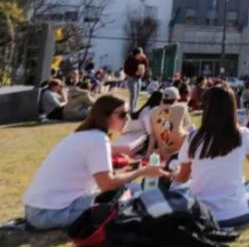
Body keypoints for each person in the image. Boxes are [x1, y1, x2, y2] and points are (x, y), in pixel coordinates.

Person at [23, 95, 168, 229]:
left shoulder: (84, 135)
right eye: (123, 114)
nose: (128, 119)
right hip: (49, 213)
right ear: (105, 116)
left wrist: (130, 170)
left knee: (131, 190)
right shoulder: (98, 139)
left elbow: (102, 178)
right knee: (128, 199)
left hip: (39, 209)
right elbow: (107, 185)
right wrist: (141, 171)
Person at [174, 86, 249, 228]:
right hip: (238, 213)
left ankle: (239, 192)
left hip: (204, 215)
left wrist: (171, 177)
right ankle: (240, 194)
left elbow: (182, 178)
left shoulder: (193, 138)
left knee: (243, 184)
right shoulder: (242, 134)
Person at [148, 87, 195, 161]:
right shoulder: (182, 108)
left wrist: (148, 153)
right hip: (180, 151)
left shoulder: (153, 111)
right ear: (176, 99)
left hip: (164, 152)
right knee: (191, 129)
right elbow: (190, 127)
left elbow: (152, 136)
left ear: (163, 99)